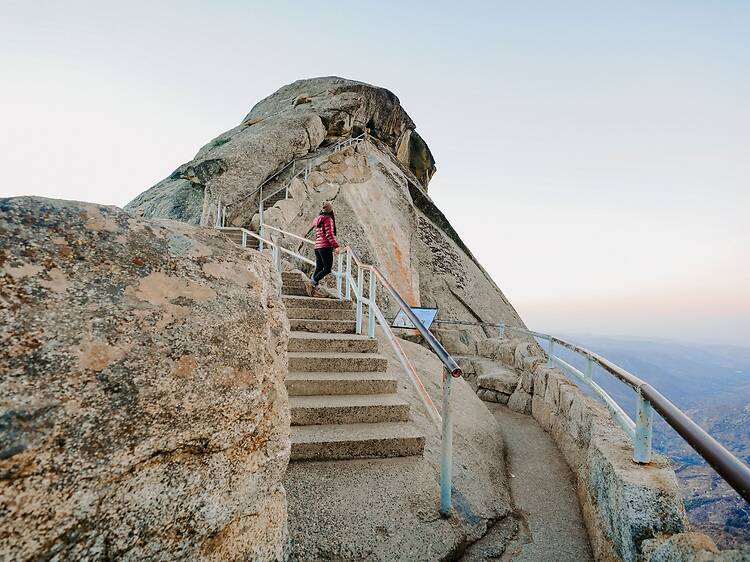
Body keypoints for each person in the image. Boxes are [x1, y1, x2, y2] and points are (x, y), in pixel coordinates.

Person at [306, 201, 340, 297]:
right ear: (330, 210)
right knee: (327, 269)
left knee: (319, 267)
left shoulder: (318, 219)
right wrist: (336, 246)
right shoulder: (328, 219)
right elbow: (329, 235)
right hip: (325, 247)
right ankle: (312, 283)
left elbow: (319, 234)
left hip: (318, 247)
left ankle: (313, 287)